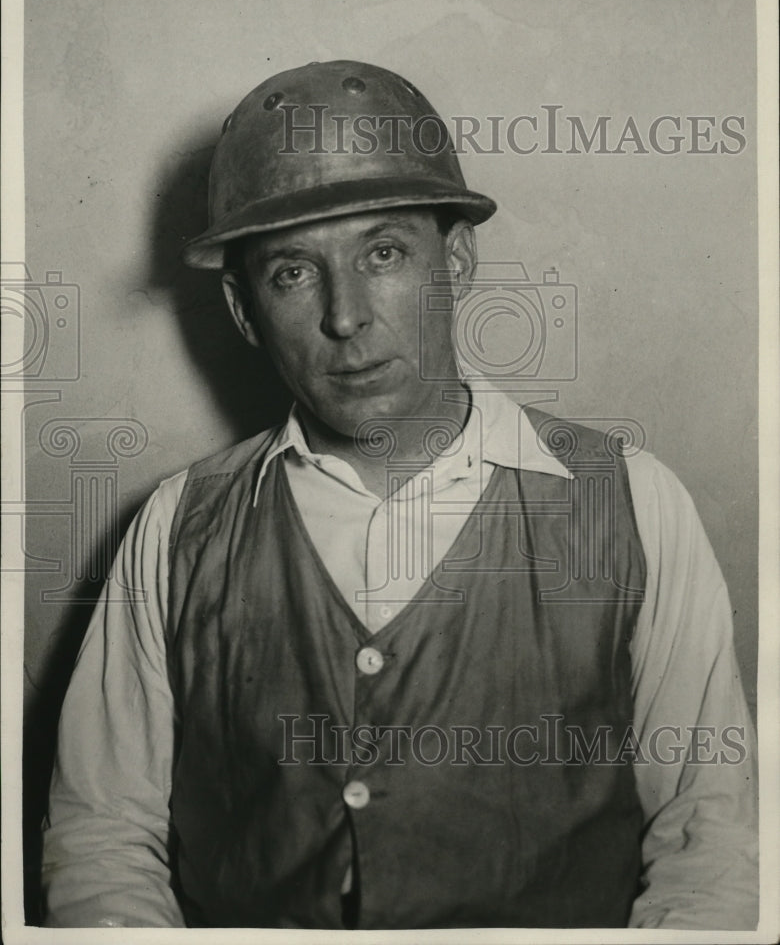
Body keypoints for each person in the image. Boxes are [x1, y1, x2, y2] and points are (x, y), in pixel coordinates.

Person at [41, 60, 758, 930]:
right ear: (242, 310)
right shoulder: (175, 530)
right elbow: (103, 836)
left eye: (383, 253)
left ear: (454, 262)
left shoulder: (633, 505)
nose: (346, 317)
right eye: (293, 273)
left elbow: (711, 840)